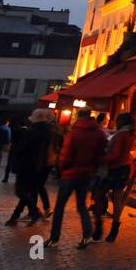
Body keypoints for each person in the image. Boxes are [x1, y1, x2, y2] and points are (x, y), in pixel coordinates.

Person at [48, 107, 108, 249]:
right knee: (82, 206)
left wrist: (62, 169)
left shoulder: (74, 133)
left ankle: (54, 237)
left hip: (71, 173)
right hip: (88, 174)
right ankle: (87, 235)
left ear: (79, 116)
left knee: (60, 207)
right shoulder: (99, 133)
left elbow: (66, 154)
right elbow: (102, 152)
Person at [93, 112, 136, 243]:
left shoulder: (120, 135)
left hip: (114, 169)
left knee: (99, 194)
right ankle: (114, 229)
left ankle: (98, 226)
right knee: (117, 199)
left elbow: (114, 155)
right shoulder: (131, 134)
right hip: (124, 167)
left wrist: (100, 158)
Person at [5, 109, 52, 226]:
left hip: (26, 164)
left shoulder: (32, 132)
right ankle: (15, 216)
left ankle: (34, 212)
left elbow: (22, 148)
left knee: (21, 191)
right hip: (39, 165)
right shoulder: (47, 132)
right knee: (28, 191)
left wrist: (15, 150)